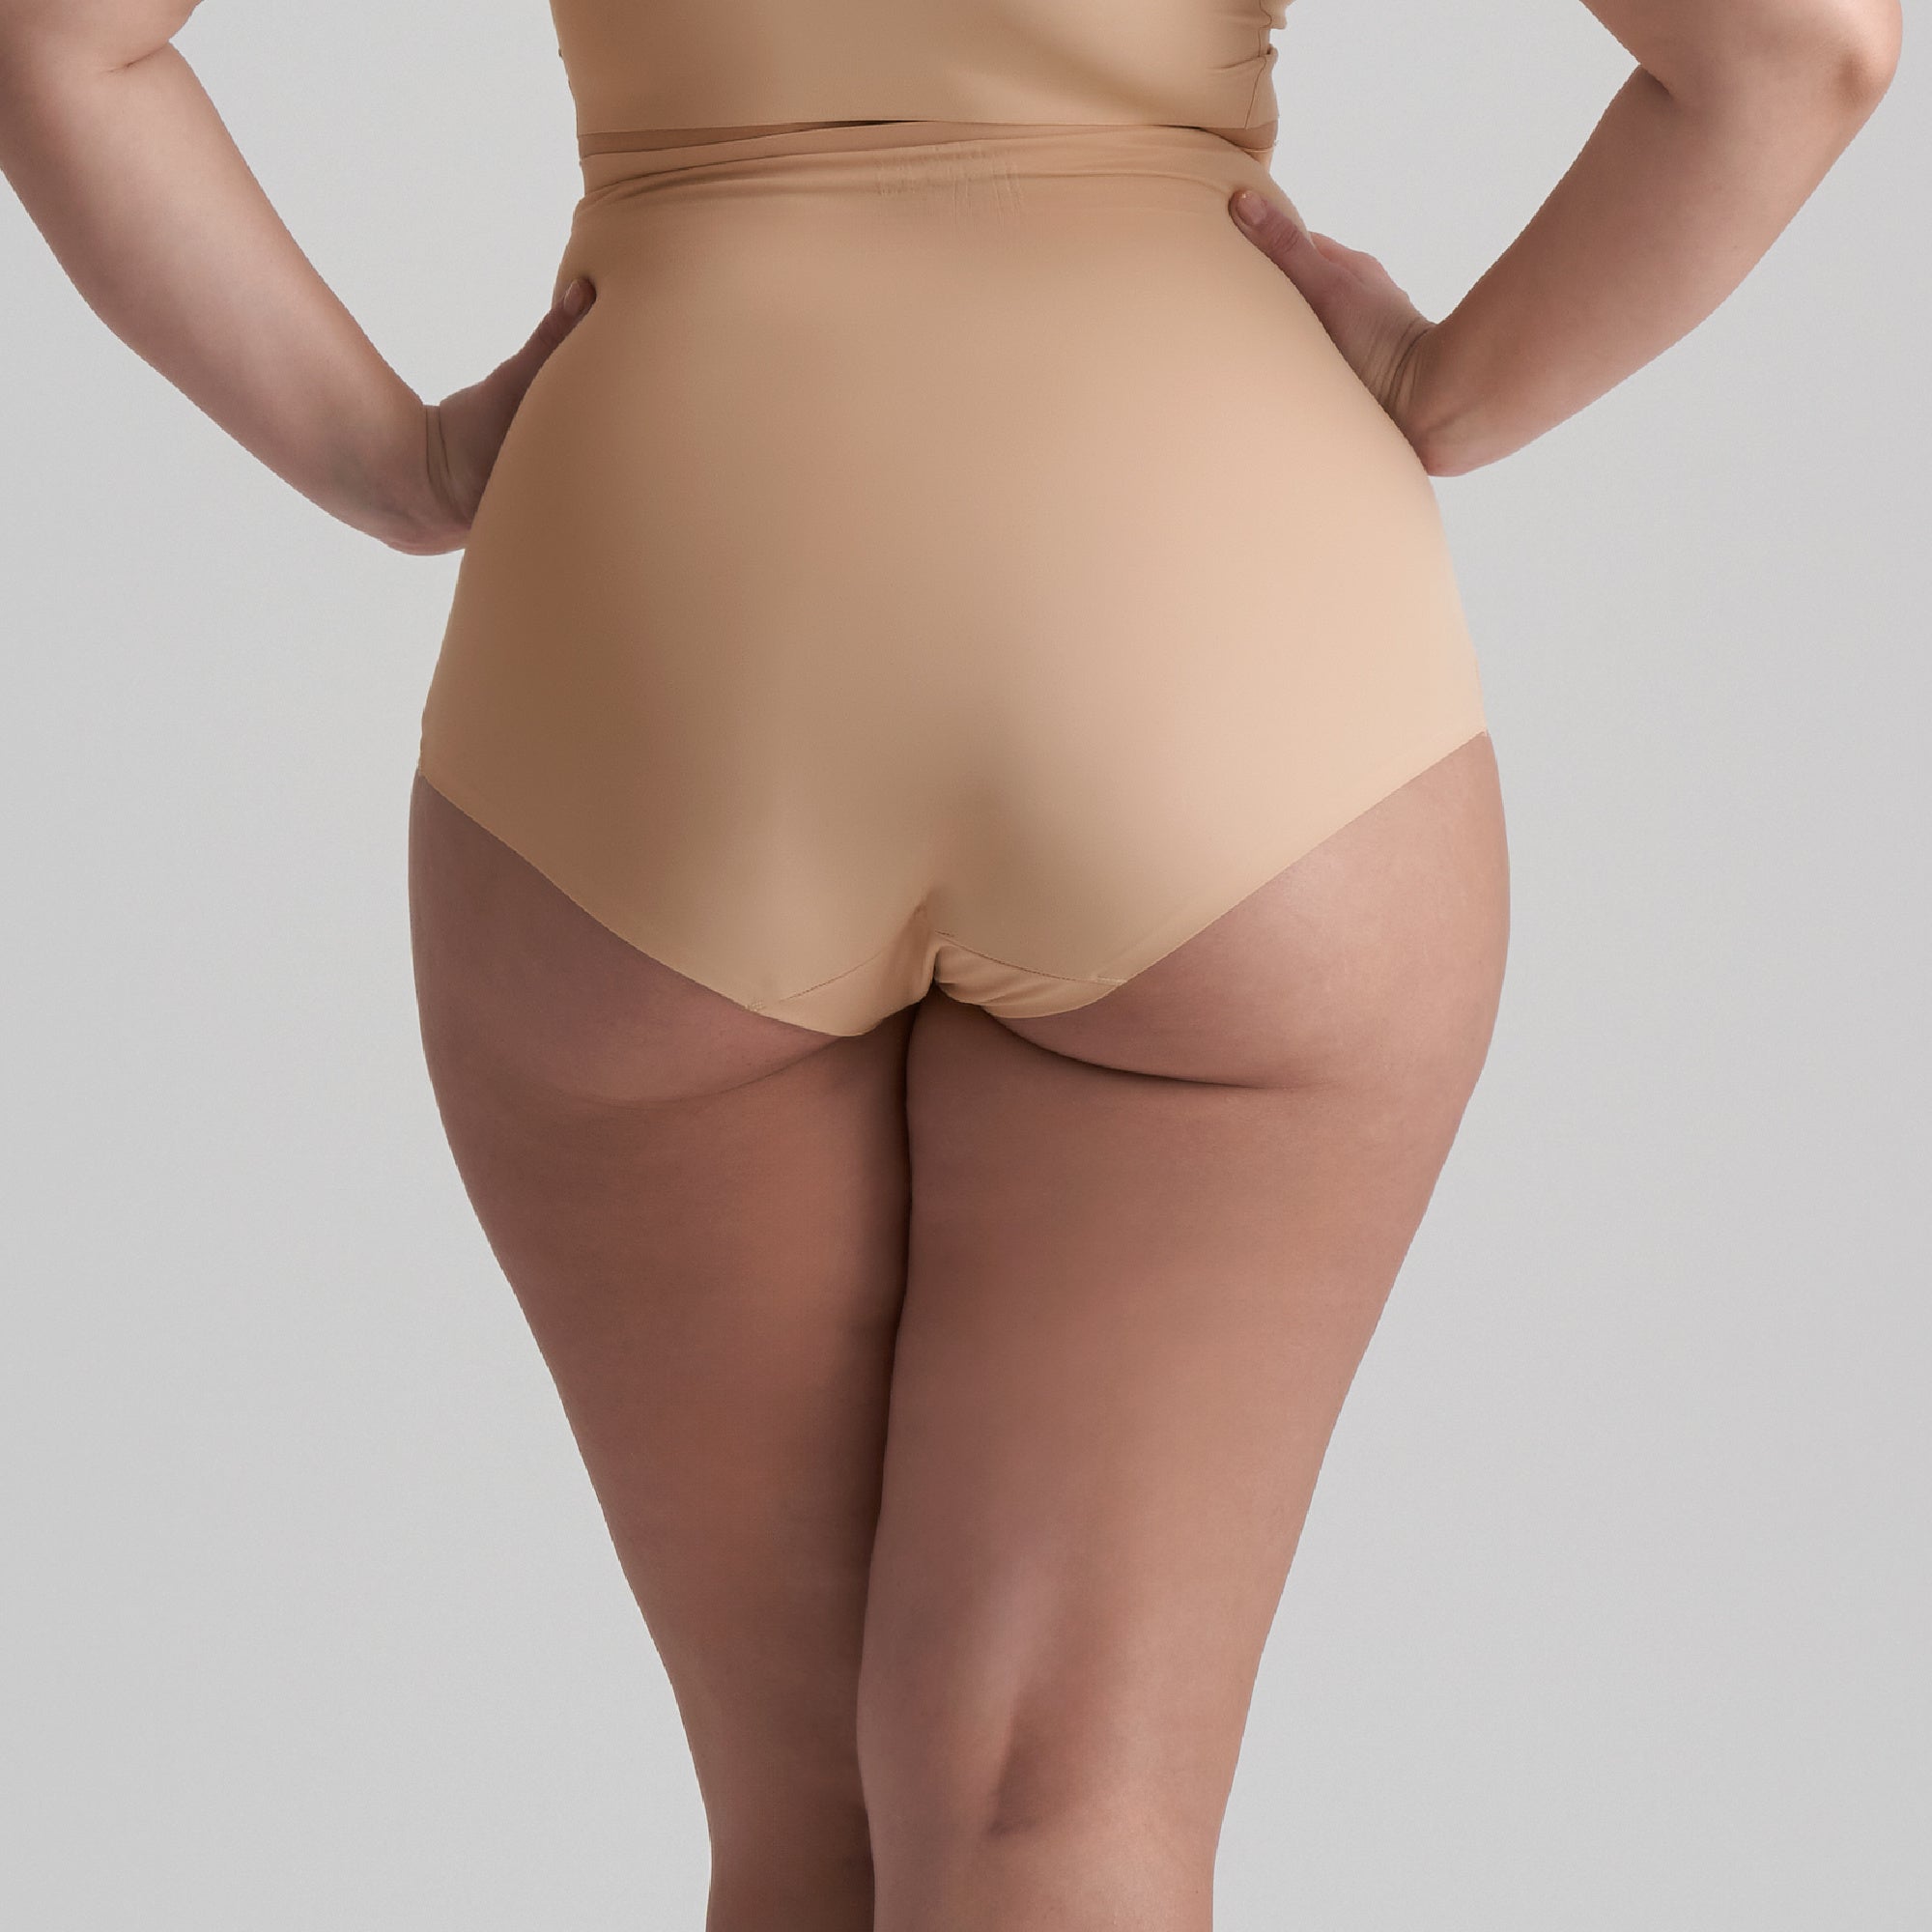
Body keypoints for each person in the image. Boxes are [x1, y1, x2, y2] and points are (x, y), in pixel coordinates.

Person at [0, 0, 1898, 1924]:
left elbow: (57, 41)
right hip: (1216, 616)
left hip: (670, 602)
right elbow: (1802, 46)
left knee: (805, 1828)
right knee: (1056, 1813)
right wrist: (1446, 386)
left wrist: (391, 463)